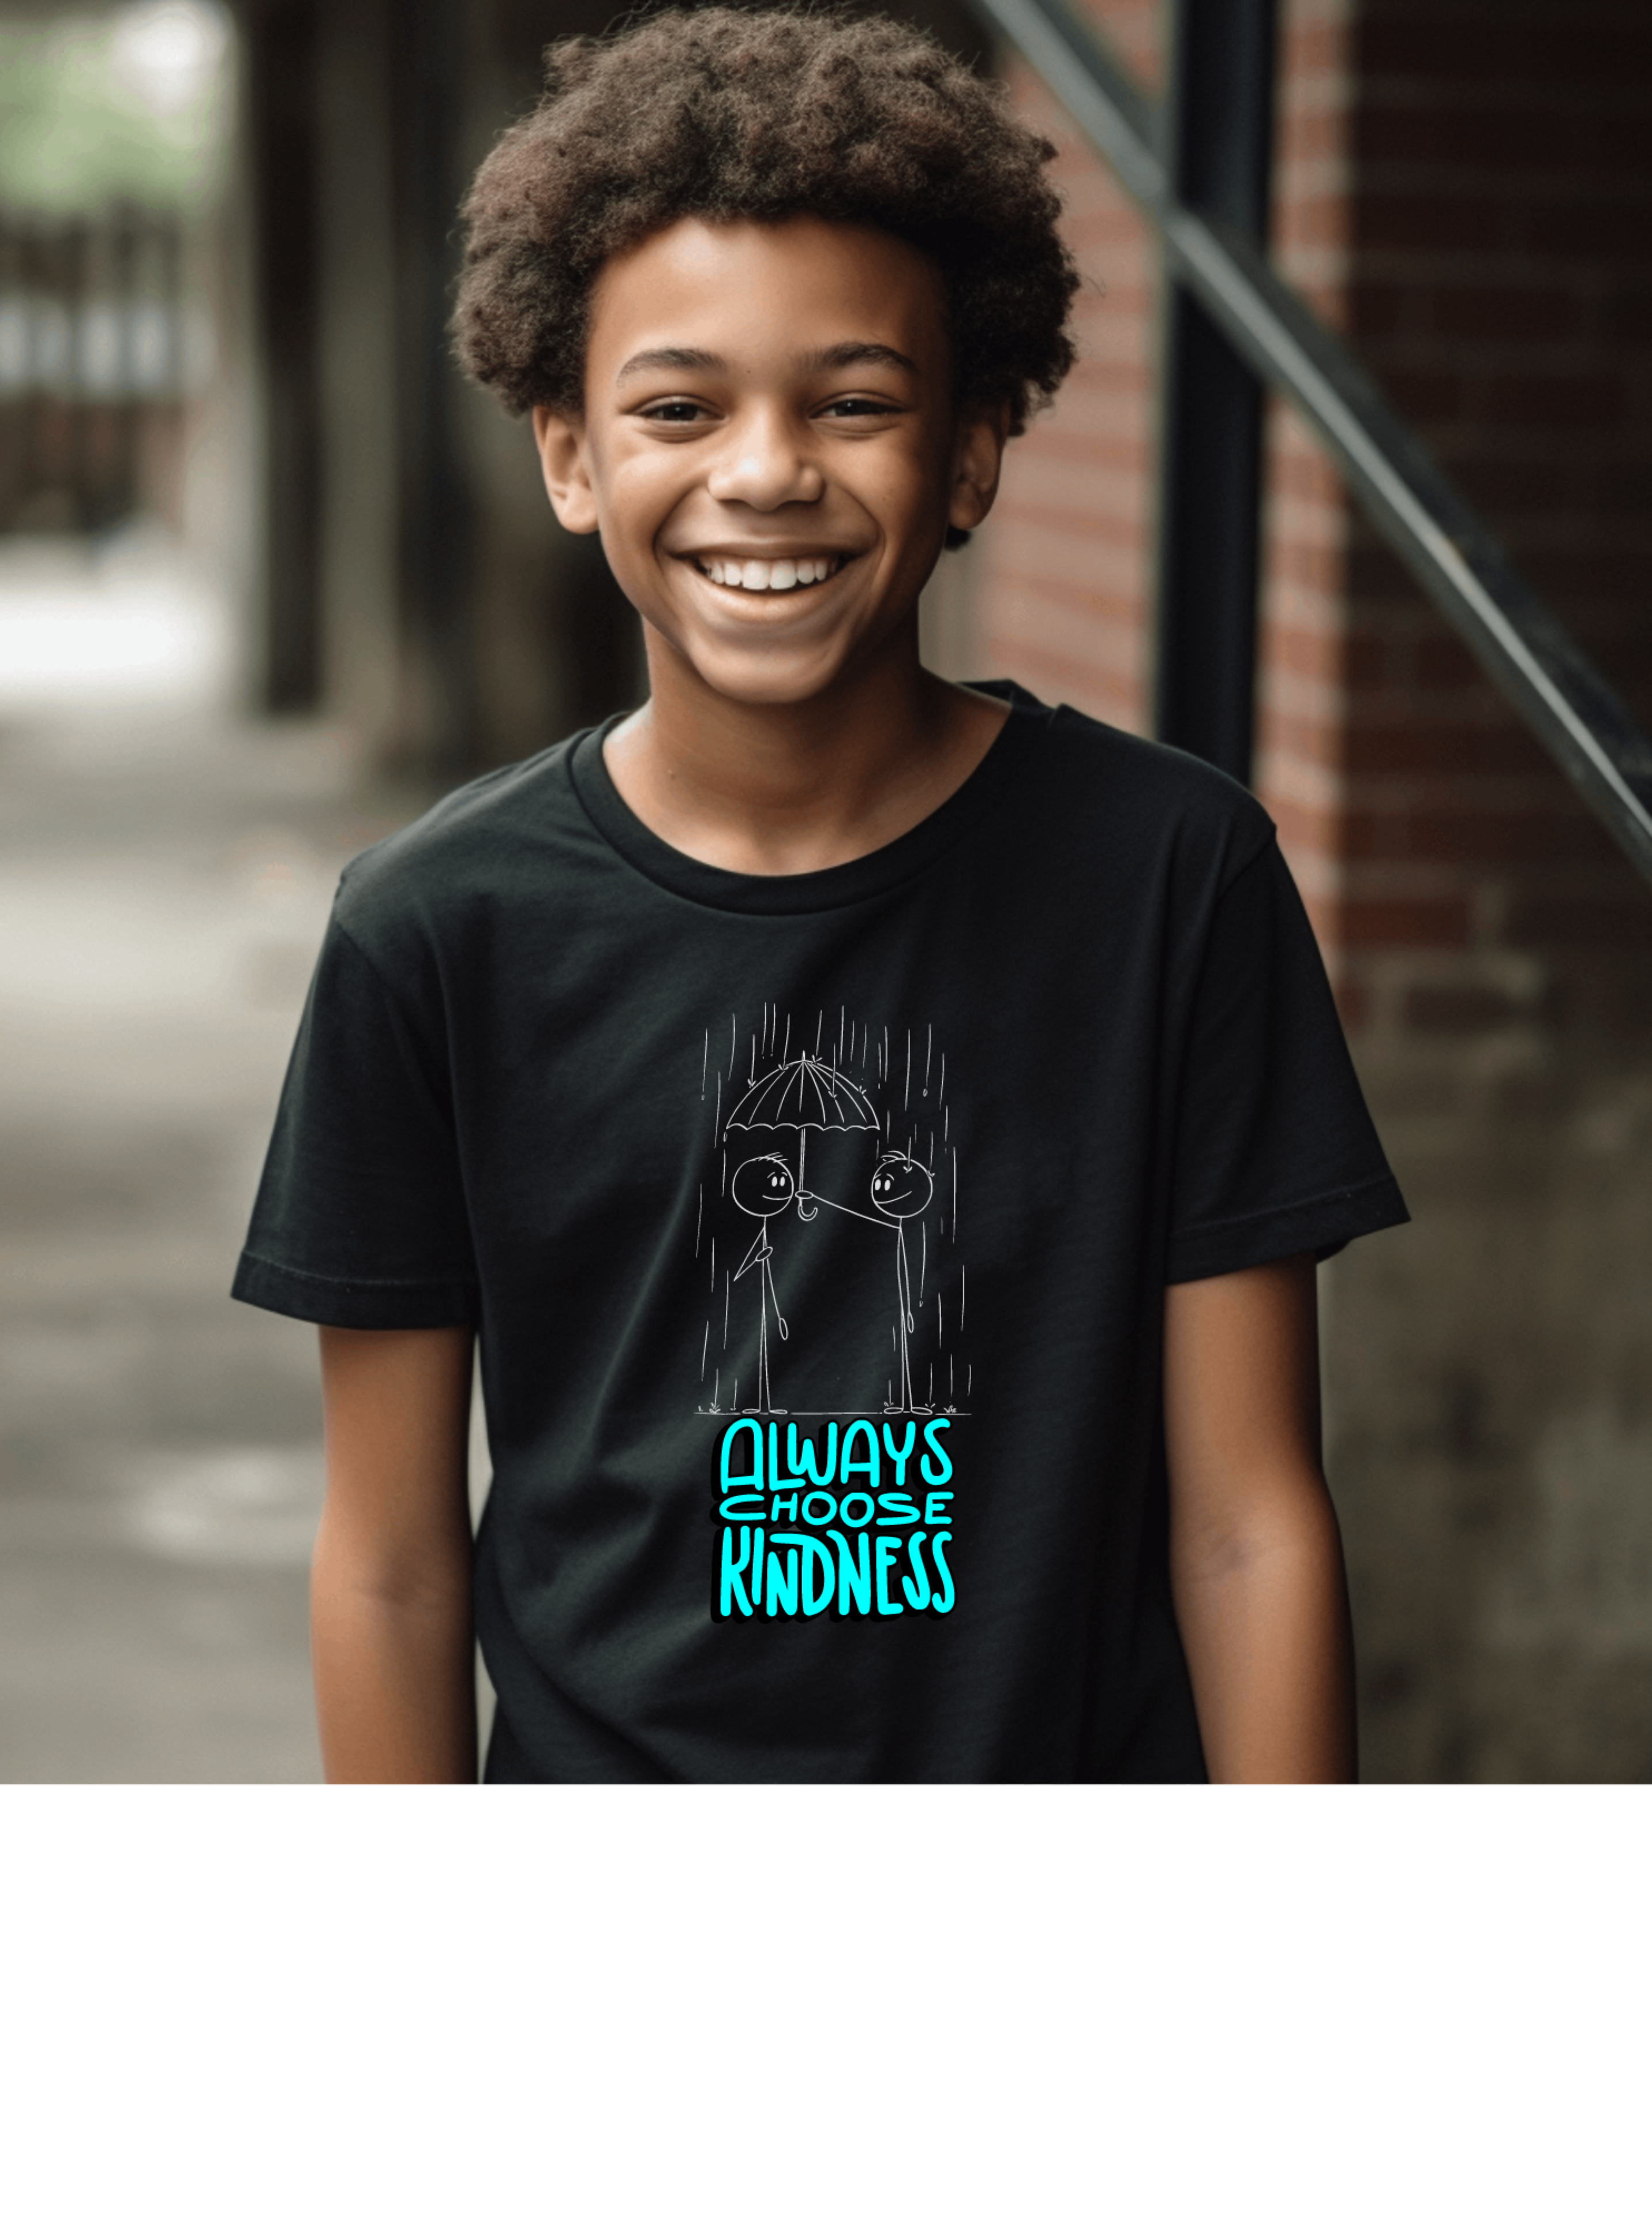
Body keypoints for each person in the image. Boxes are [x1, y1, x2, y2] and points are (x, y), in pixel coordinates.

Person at [233, 8, 1408, 1785]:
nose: (767, 470)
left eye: (854, 402)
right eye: (678, 408)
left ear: (972, 452)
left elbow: (1249, 1521)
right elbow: (390, 1566)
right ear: (569, 455)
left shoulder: (1172, 878)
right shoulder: (434, 930)